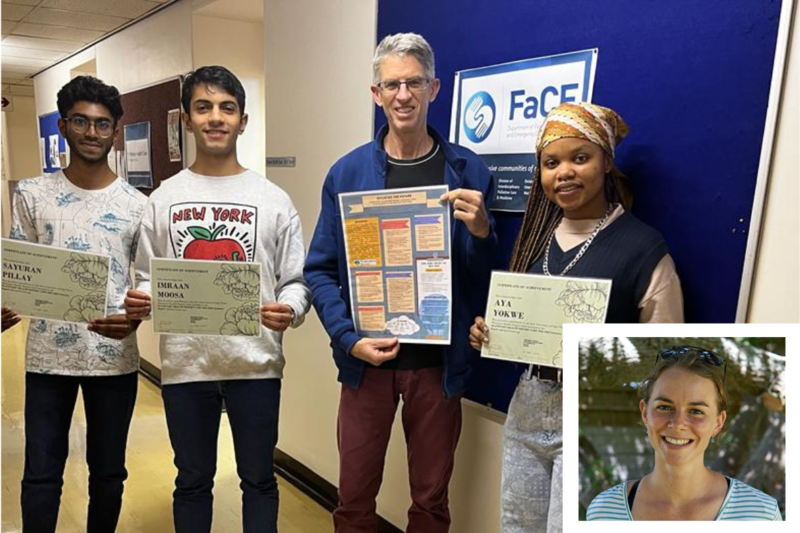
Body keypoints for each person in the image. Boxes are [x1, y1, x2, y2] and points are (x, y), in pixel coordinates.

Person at [304, 33, 497, 533]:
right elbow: (320, 270)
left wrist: (481, 232)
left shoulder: (468, 170)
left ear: (434, 88)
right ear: (376, 94)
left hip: (438, 366)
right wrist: (349, 340)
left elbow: (482, 277)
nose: (403, 95)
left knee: (431, 502)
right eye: (392, 84)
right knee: (353, 499)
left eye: (414, 82)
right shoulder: (346, 173)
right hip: (367, 362)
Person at [469, 102, 684, 532]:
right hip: (527, 406)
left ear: (606, 161)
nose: (564, 172)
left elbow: (668, 355)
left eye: (579, 158)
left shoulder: (643, 248)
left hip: (594, 413)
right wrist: (491, 333)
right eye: (552, 163)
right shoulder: (533, 238)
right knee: (517, 525)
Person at [124, 65, 310, 533]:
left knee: (259, 481)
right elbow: (147, 274)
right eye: (203, 107)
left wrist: (290, 308)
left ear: (243, 120)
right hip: (188, 364)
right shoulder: (164, 198)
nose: (216, 118)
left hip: (256, 364)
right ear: (186, 118)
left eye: (227, 108)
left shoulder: (273, 199)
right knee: (191, 482)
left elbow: (296, 279)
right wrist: (142, 298)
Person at [4, 75, 147, 532]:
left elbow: (145, 279)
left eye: (102, 124)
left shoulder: (137, 204)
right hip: (47, 357)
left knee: (109, 473)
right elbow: (17, 265)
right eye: (81, 122)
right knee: (42, 474)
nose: (91, 133)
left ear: (116, 130)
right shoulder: (30, 194)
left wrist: (136, 318)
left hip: (114, 359)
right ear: (64, 127)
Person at [587, 345, 782, 521]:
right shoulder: (603, 511)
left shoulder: (761, 513)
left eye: (696, 411)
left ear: (718, 422)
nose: (678, 423)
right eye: (664, 407)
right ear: (645, 413)